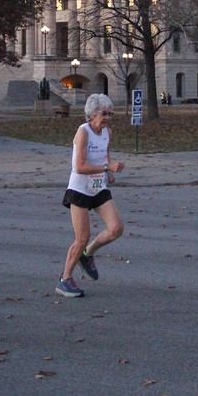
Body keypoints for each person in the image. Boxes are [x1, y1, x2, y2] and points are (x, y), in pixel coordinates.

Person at [56, 93, 125, 298]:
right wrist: (106, 167)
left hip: (98, 187)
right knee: (82, 237)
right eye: (104, 113)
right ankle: (65, 279)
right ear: (92, 113)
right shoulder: (83, 132)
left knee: (116, 228)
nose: (107, 117)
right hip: (80, 189)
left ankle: (88, 254)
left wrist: (109, 172)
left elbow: (105, 153)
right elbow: (79, 166)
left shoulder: (107, 132)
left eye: (110, 113)